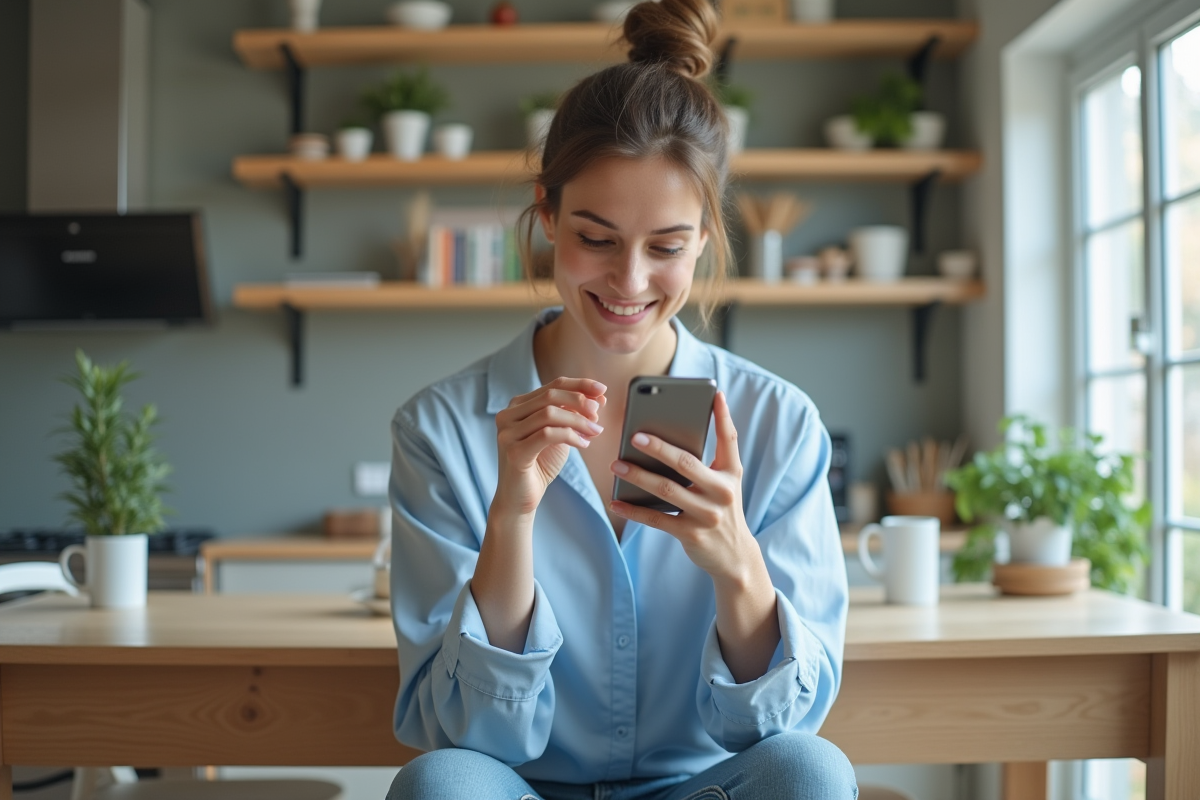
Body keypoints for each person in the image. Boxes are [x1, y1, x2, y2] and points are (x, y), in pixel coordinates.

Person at [385, 1, 855, 797]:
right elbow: (464, 732)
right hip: (521, 787)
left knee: (812, 770)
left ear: (705, 234)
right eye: (596, 239)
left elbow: (778, 730)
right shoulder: (441, 428)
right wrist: (511, 521)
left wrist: (736, 565)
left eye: (666, 246)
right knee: (442, 784)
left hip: (701, 785)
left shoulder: (779, 423)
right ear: (547, 215)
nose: (630, 283)